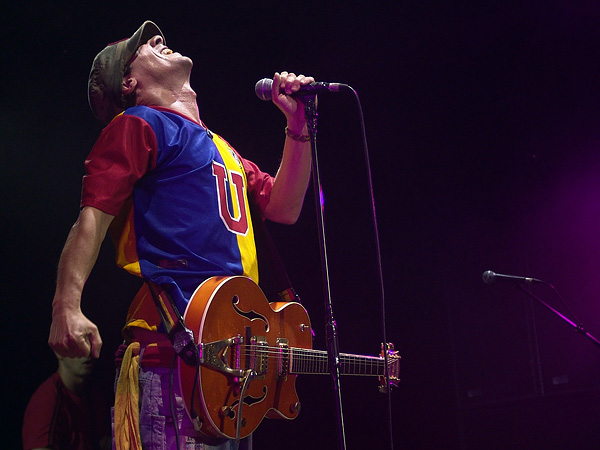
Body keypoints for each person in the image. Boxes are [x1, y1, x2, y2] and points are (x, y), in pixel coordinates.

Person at [48, 20, 314, 450]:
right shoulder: (139, 124)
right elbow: (91, 218)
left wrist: (299, 125)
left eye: (157, 38)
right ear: (128, 83)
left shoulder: (223, 149)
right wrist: (66, 306)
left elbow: (285, 207)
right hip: (175, 355)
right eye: (143, 45)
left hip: (233, 364)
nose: (159, 39)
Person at [22, 353, 111, 450]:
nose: (87, 351)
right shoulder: (46, 402)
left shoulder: (93, 394)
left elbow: (103, 442)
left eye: (91, 344)